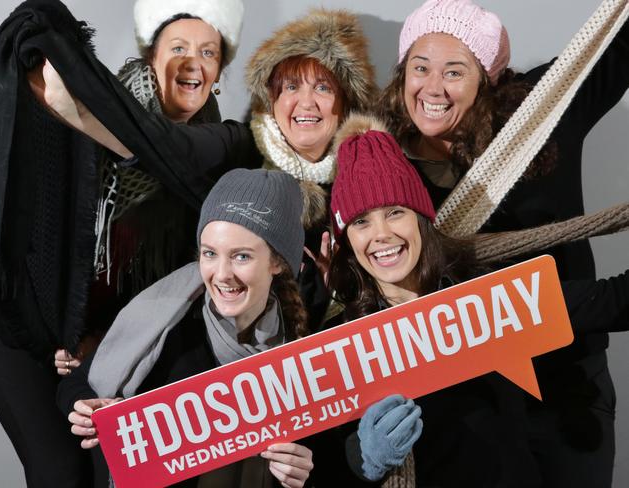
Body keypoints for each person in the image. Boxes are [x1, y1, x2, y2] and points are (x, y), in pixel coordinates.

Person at [0, 0, 258, 485]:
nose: (193, 62)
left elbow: (168, 163)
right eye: (178, 48)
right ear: (151, 57)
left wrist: (94, 339)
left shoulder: (222, 144)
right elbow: (25, 230)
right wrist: (55, 331)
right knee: (58, 472)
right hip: (16, 318)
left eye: (208, 52)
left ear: (219, 71)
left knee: (107, 464)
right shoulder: (77, 116)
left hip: (101, 336)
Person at [378, 0, 629, 485]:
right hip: (463, 400)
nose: (432, 88)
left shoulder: (539, 114)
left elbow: (619, 44)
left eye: (454, 71)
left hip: (568, 381)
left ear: (487, 78)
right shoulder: (382, 169)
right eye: (419, 67)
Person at [326, 115, 629, 487]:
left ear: (420, 217)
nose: (381, 234)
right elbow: (324, 466)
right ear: (347, 240)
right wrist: (364, 457)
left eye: (395, 212)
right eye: (361, 222)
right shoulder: (339, 340)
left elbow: (612, 301)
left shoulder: (485, 299)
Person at [57, 168, 314, 487]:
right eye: (210, 253)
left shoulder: (297, 347)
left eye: (242, 256)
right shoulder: (164, 318)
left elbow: (292, 459)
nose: (222, 274)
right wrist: (84, 409)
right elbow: (78, 383)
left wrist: (297, 476)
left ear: (277, 262)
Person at [245, 9, 377, 328]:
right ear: (271, 100)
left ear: (345, 103)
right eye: (291, 87)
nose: (306, 103)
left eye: (323, 88)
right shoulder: (239, 160)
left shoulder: (372, 183)